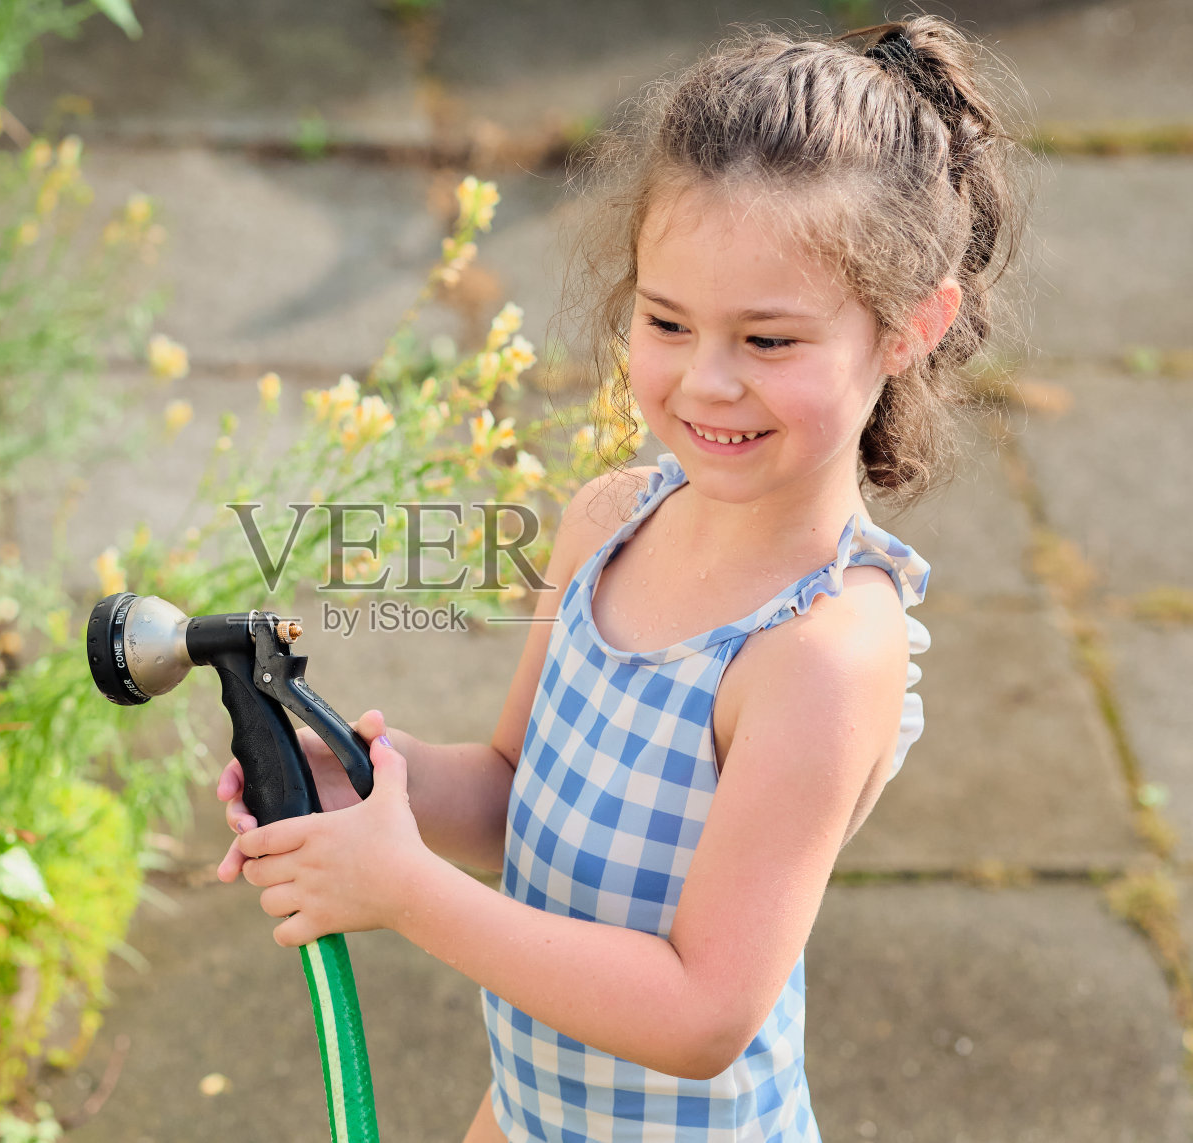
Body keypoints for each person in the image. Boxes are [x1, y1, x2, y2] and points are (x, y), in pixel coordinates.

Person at [217, 13, 1030, 1141]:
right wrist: (360, 780)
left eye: (769, 341)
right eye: (665, 320)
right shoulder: (612, 520)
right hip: (528, 1117)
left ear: (908, 328)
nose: (705, 382)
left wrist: (403, 891)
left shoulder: (825, 652)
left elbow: (702, 1015)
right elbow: (516, 789)